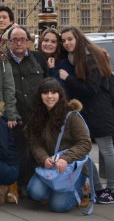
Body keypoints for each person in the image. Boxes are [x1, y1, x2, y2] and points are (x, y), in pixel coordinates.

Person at [56, 26, 114, 204]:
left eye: (70, 39)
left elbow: (91, 89)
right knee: (83, 151)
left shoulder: (91, 57)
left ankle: (112, 191)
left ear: (78, 38)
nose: (66, 43)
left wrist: (68, 78)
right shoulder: (74, 58)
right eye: (64, 40)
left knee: (107, 150)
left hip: (100, 110)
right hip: (86, 111)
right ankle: (98, 188)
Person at [25, 79, 94, 212]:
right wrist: (44, 158)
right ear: (40, 95)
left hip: (73, 167)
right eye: (45, 92)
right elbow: (35, 143)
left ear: (60, 94)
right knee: (35, 193)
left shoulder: (72, 116)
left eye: (53, 92)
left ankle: (82, 191)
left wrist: (66, 158)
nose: (49, 96)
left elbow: (85, 143)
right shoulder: (38, 117)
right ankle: (53, 190)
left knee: (58, 206)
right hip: (51, 167)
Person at [6, 24, 49, 192]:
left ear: (28, 42)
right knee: (19, 154)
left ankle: (34, 186)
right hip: (15, 117)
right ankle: (20, 187)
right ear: (9, 43)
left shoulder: (38, 59)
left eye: (22, 40)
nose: (19, 43)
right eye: (14, 40)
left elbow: (47, 85)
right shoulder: (3, 61)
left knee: (36, 153)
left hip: (36, 116)